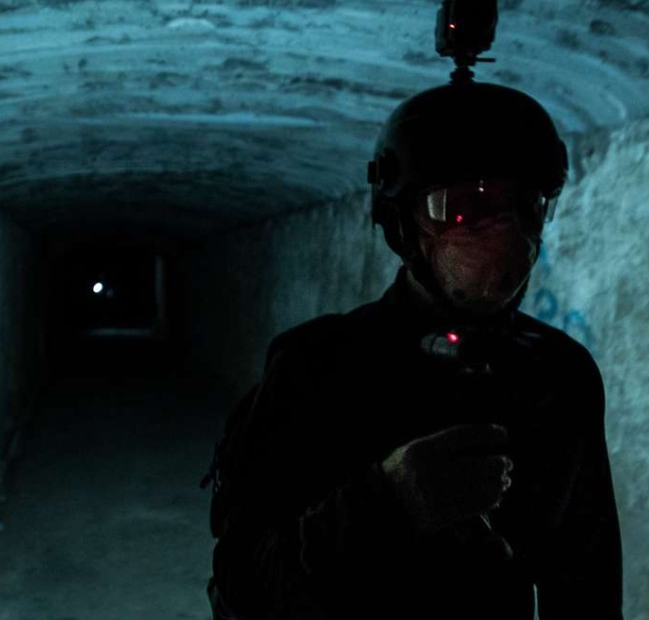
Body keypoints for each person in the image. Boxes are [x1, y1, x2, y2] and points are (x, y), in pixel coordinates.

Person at [205, 78, 624, 618]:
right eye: (463, 208)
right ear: (403, 227)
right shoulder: (318, 365)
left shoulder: (558, 373)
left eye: (526, 204)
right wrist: (386, 501)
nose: (505, 233)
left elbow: (586, 577)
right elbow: (243, 588)